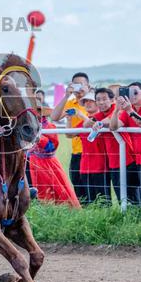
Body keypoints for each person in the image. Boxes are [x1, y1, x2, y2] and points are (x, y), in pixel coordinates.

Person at [110, 82, 141, 205]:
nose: (133, 96)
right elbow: (114, 127)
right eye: (130, 93)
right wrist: (116, 110)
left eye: (136, 92)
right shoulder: (127, 111)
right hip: (140, 159)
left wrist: (129, 110)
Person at [51, 72, 92, 204]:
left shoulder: (94, 103)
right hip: (77, 153)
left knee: (94, 190)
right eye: (76, 84)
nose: (78, 88)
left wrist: (81, 115)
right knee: (79, 188)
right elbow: (54, 117)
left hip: (94, 153)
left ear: (88, 86)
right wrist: (66, 96)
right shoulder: (71, 104)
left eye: (81, 84)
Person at [27, 113, 80, 208]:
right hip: (31, 162)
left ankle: (55, 209)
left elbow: (51, 147)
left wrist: (39, 138)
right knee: (37, 188)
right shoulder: (28, 125)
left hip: (47, 163)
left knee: (55, 187)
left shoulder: (49, 127)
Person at [76, 93, 108, 203]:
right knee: (90, 200)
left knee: (103, 200)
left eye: (91, 101)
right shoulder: (82, 122)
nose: (88, 103)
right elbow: (69, 134)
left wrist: (82, 116)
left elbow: (94, 123)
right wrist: (69, 118)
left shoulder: (102, 119)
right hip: (85, 166)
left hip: (101, 165)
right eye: (85, 102)